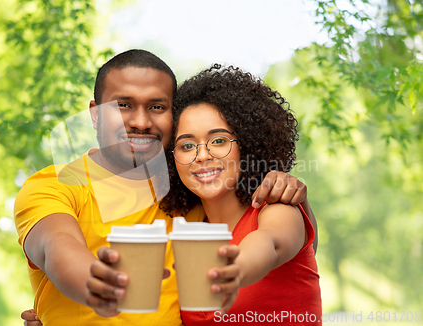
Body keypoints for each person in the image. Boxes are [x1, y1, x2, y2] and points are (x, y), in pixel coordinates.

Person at [16, 50, 317, 326]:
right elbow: (55, 245)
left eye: (157, 107)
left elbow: (282, 244)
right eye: (123, 105)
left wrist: (292, 193)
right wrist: (95, 283)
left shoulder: (186, 198)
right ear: (95, 113)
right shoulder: (56, 185)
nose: (141, 121)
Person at [159, 64, 321, 325]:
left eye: (219, 141)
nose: (202, 156)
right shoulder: (187, 232)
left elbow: (270, 243)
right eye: (187, 145)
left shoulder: (277, 208)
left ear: (247, 144)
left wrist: (236, 270)